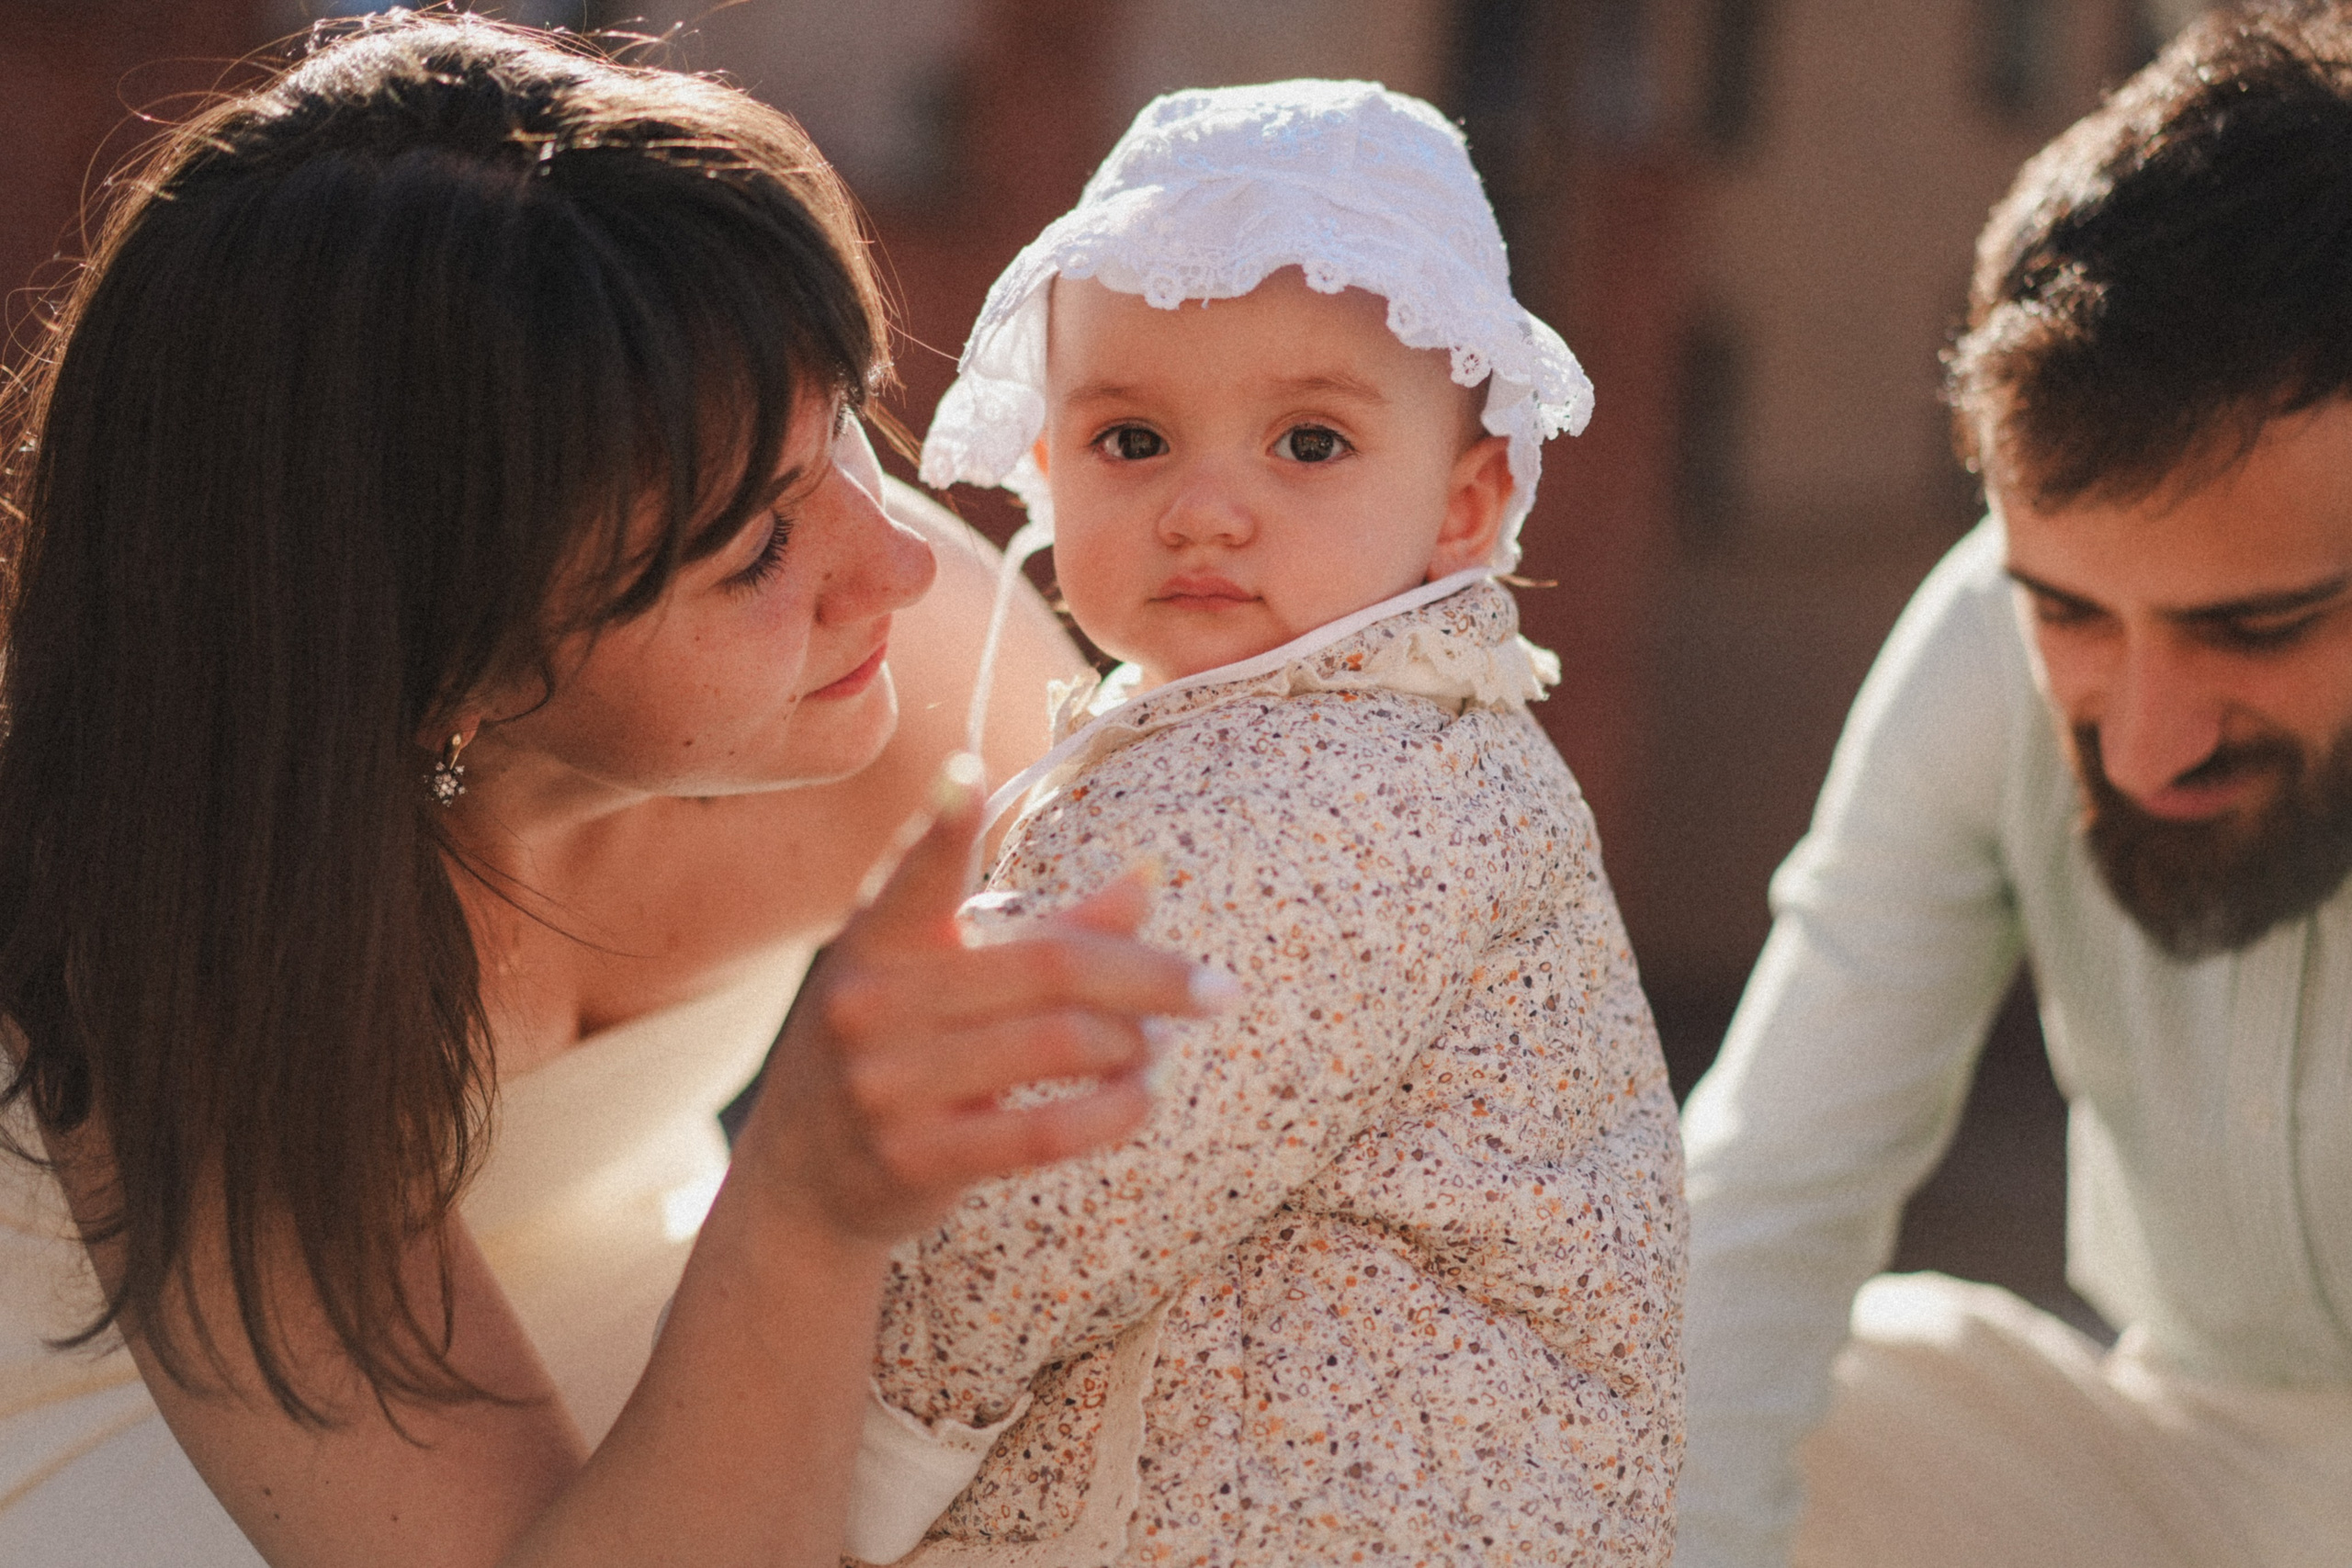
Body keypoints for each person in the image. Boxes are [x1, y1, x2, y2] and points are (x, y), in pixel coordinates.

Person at [0, 15, 1236, 1567]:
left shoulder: (906, 665)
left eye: (841, 425)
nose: (903, 559)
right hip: (145, 1427)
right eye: (758, 550)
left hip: (637, 1293)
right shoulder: (183, 942)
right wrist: (801, 1208)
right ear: (443, 666)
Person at [838, 82, 1687, 1566]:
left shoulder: (1342, 789)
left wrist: (844, 1464)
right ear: (1047, 468)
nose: (1205, 510)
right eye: (1133, 441)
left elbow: (1062, 1186)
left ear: (1465, 507)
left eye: (1306, 444)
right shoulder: (1285, 733)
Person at [1673, 7, 2352, 1567]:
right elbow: (1771, 1186)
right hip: (2185, 1465)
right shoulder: (1979, 632)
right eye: (2073, 613)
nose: (2145, 742)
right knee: (1769, 1385)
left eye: (2254, 627)